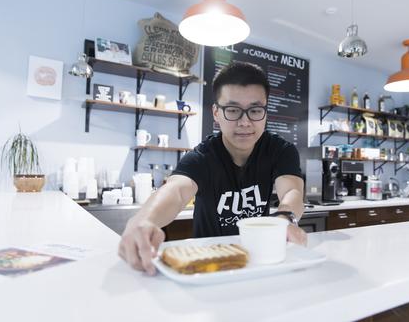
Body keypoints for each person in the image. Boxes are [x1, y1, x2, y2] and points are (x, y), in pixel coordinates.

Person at [118, 62, 307, 275]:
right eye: (233, 110)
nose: (245, 122)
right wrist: (144, 220)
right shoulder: (202, 157)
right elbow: (176, 191)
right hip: (206, 266)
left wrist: (285, 219)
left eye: (255, 110)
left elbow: (291, 191)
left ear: (265, 112)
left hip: (256, 261)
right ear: (216, 113)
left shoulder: (281, 150)